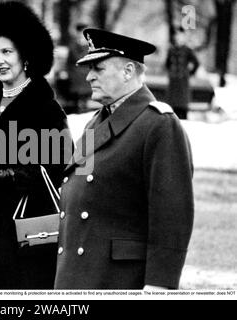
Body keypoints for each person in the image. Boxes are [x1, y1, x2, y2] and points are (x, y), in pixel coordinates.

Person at [54, 28, 194, 290]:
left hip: (119, 281)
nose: (89, 76)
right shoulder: (97, 122)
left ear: (128, 71)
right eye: (89, 68)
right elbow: (81, 192)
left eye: (99, 68)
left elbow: (172, 215)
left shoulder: (159, 125)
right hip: (81, 275)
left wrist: (159, 285)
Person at [0, 1, 72, 289]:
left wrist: (12, 176)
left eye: (7, 51)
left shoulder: (46, 108)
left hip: (28, 229)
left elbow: (61, 169)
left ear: (25, 55)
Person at [166, 26, 199, 120]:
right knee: (172, 106)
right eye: (176, 35)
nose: (178, 37)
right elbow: (167, 63)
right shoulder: (171, 50)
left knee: (182, 106)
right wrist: (171, 72)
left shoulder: (187, 50)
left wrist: (190, 73)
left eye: (180, 35)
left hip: (183, 81)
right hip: (173, 81)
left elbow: (196, 63)